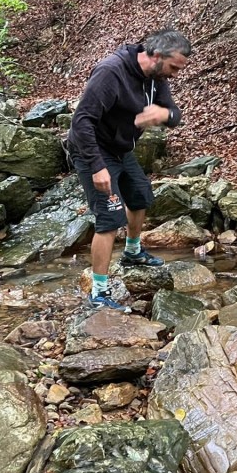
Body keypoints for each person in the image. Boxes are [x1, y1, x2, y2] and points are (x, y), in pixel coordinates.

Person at [68, 28, 191, 311]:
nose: (175, 74)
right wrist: (97, 167)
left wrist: (165, 114)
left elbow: (174, 114)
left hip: (121, 148)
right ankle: (99, 292)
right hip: (93, 149)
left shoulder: (155, 78)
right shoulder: (111, 72)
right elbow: (82, 121)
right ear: (156, 55)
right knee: (109, 217)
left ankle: (132, 252)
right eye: (174, 67)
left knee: (140, 196)